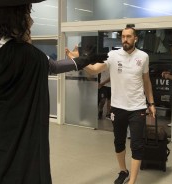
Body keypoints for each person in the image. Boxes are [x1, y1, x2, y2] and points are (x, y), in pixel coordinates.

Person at [0, 1, 107, 184]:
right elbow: (53, 66)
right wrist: (83, 60)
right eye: (27, 15)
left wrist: (82, 60)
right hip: (15, 141)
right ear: (15, 19)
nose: (31, 22)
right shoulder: (29, 56)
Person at [67, 26, 156, 184]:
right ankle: (123, 171)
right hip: (117, 107)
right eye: (123, 36)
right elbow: (94, 70)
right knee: (119, 141)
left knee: (137, 144)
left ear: (135, 38)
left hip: (138, 107)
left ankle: (132, 181)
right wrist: (78, 60)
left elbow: (146, 80)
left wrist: (151, 103)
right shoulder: (113, 55)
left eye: (128, 36)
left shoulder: (143, 56)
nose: (125, 39)